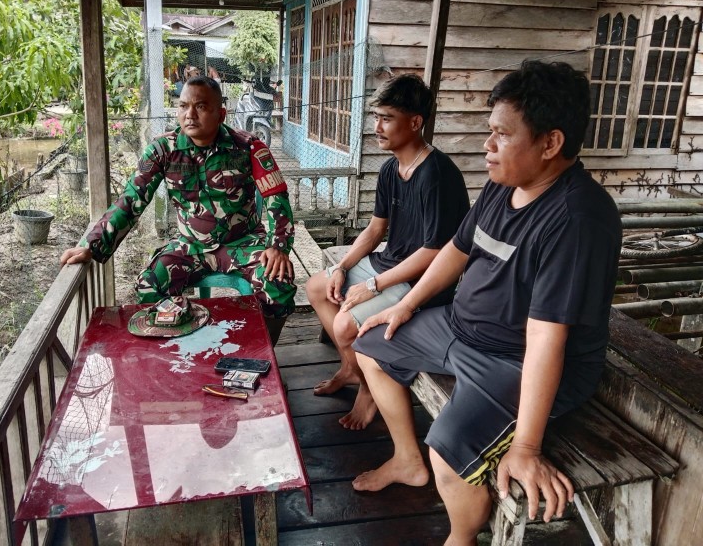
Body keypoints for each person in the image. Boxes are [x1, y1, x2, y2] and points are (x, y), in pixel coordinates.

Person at [350, 60, 622, 545]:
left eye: (500, 134)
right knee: (368, 341)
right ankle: (406, 461)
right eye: (488, 131)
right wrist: (406, 305)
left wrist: (527, 446)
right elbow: (457, 248)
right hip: (458, 328)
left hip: (513, 360)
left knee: (449, 453)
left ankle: (461, 536)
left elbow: (545, 339)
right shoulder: (504, 186)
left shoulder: (578, 219)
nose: (487, 145)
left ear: (550, 143)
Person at [60, 76, 296, 344]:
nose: (190, 115)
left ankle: (264, 354)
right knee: (150, 283)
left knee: (278, 283)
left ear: (221, 113)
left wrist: (278, 246)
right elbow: (131, 199)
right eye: (183, 106)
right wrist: (92, 245)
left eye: (201, 107)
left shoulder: (248, 146)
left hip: (242, 243)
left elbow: (276, 196)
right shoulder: (163, 150)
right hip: (190, 245)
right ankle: (177, 353)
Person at [305, 74, 469, 430]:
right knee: (317, 287)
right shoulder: (390, 169)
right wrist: (343, 266)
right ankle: (351, 368)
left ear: (415, 122)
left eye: (387, 118)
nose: (376, 127)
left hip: (421, 282)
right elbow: (376, 229)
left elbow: (435, 252)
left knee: (346, 323)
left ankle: (369, 390)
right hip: (390, 264)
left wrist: (374, 285)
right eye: (375, 117)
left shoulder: (437, 175)